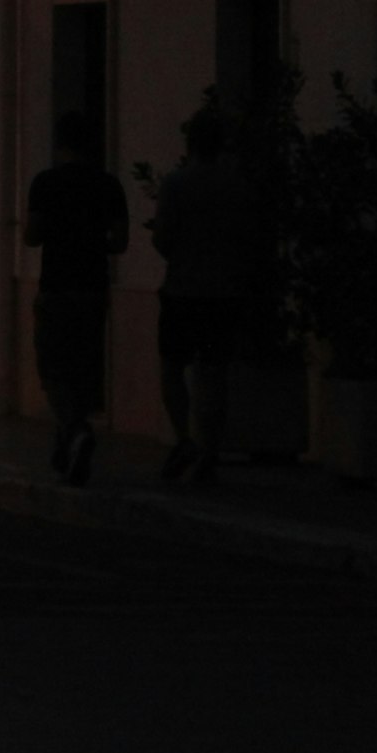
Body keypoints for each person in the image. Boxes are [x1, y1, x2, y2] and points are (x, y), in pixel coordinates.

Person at [150, 109, 256, 485]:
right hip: (223, 292)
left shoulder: (176, 185)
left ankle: (184, 438)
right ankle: (210, 450)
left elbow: (162, 237)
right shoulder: (236, 186)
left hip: (182, 290)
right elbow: (247, 238)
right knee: (214, 374)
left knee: (172, 368)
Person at [23, 110, 126, 484]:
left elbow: (32, 235)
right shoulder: (109, 185)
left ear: (60, 142)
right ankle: (68, 437)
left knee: (52, 368)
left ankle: (75, 428)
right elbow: (121, 240)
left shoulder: (45, 184)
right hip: (93, 287)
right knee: (84, 366)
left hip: (57, 286)